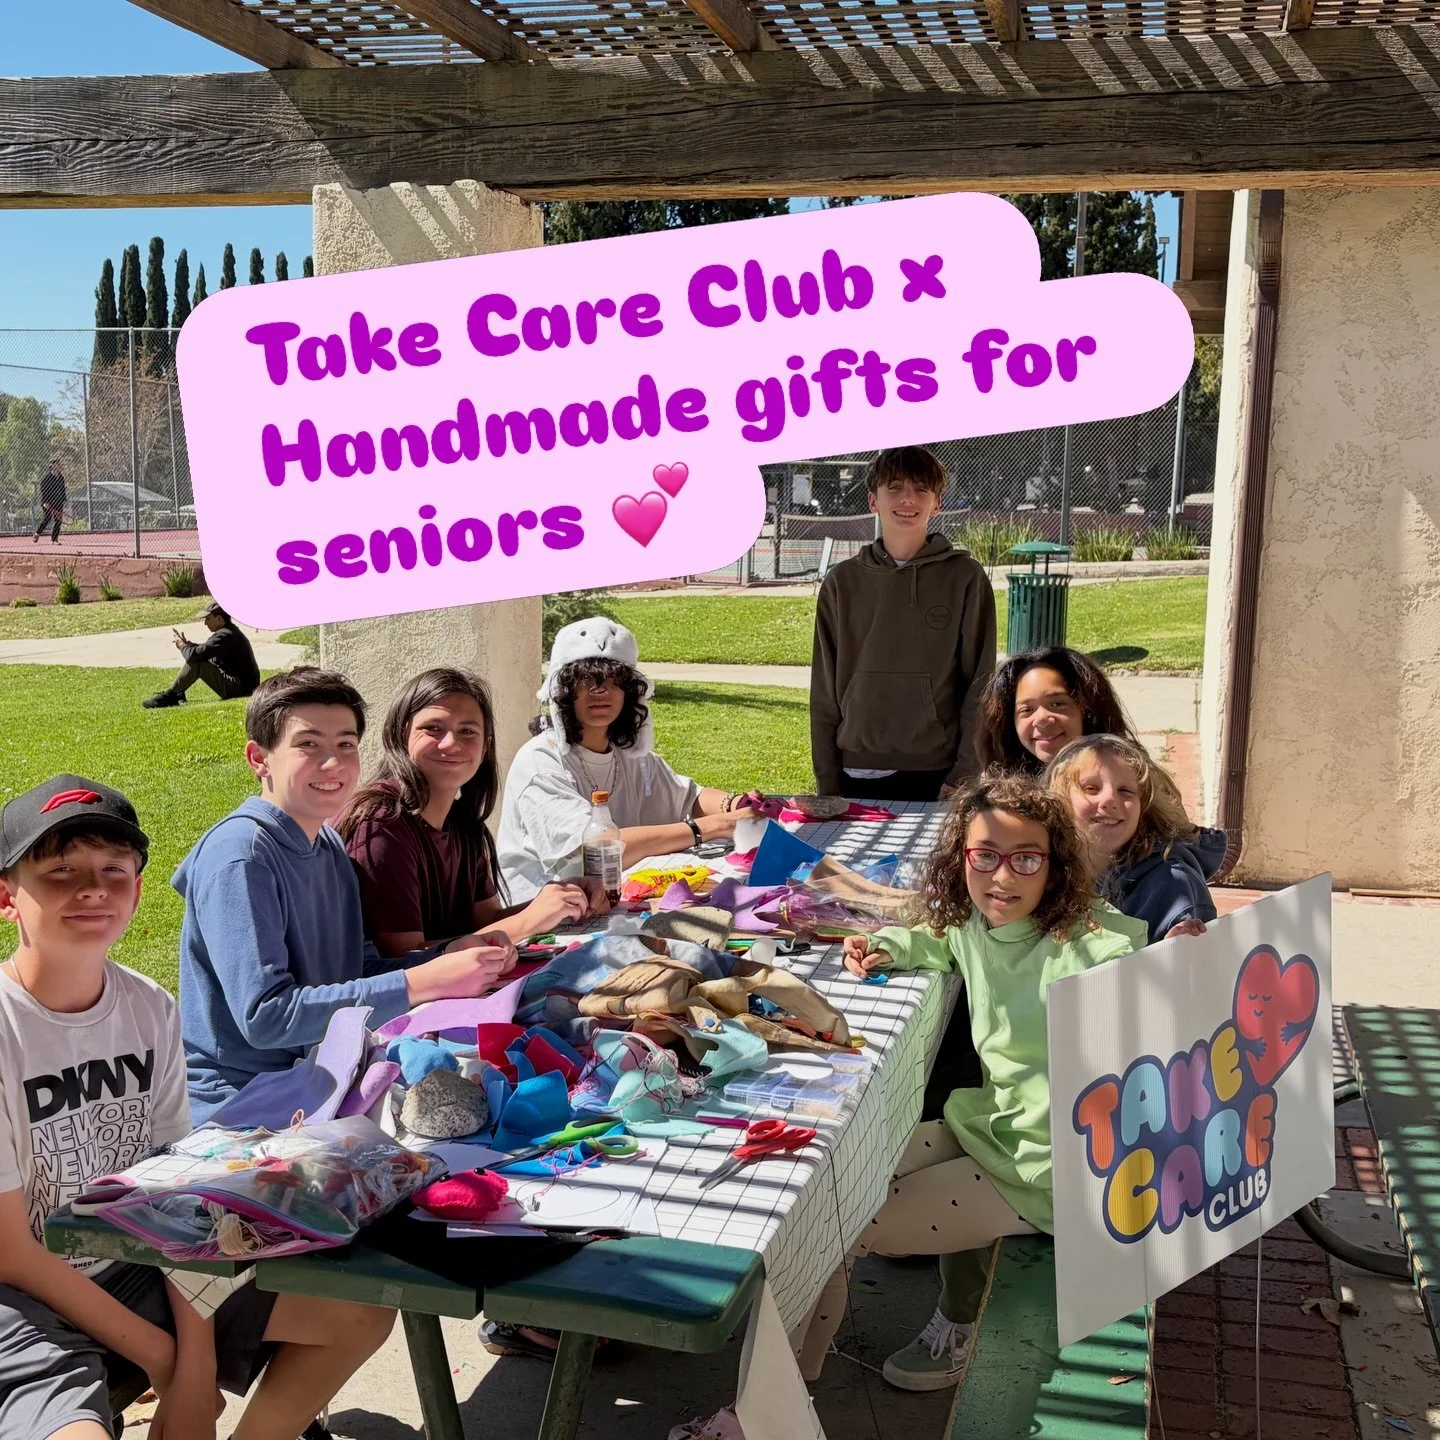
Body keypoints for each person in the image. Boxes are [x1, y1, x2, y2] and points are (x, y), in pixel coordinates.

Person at [0, 774, 395, 1440]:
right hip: (22, 1307)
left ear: (139, 888)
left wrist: (198, 1360)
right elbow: (11, 1252)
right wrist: (166, 1359)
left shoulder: (148, 1008)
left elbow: (178, 1195)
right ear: (8, 897)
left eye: (112, 869)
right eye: (61, 871)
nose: (92, 888)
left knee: (359, 1311)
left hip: (134, 1264)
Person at [792, 776, 1147, 1392]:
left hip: (1049, 1171)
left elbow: (1127, 964)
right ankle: (795, 1389)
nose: (1002, 878)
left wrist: (1177, 959)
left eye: (1026, 860)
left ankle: (776, 1411)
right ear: (962, 858)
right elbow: (934, 938)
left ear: (1055, 866)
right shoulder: (974, 924)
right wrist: (882, 944)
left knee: (833, 1230)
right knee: (825, 1183)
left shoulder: (1083, 944)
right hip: (990, 1127)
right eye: (984, 856)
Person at [176, 667, 518, 1123]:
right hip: (242, 1108)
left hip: (326, 1080)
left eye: (346, 745)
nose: (333, 764)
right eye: (308, 745)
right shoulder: (240, 857)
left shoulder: (328, 844)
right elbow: (266, 1017)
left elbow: (359, 969)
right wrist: (423, 982)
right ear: (259, 759)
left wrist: (445, 957)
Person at [338, 667, 609, 956]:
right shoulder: (380, 824)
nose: (451, 744)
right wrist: (529, 921)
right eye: (433, 728)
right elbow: (404, 957)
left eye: (467, 731)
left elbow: (488, 922)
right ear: (401, 733)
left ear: (485, 748)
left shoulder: (463, 825)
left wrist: (561, 897)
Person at [498, 618, 762, 903]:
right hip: (542, 920)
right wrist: (714, 827)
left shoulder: (629, 754)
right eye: (586, 681)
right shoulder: (540, 761)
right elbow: (598, 852)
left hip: (613, 902)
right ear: (563, 693)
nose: (600, 692)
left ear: (630, 691)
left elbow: (689, 799)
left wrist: (736, 804)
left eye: (613, 681)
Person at [810, 447, 996, 802]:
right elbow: (823, 690)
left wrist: (964, 772)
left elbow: (981, 683)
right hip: (854, 769)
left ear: (937, 503)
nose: (908, 498)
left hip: (936, 773)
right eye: (894, 487)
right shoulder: (842, 582)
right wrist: (828, 780)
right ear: (872, 500)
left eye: (921, 489)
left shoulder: (965, 578)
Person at [1046, 733, 1226, 942]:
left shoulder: (1173, 884)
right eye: (1091, 788)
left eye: (1125, 791)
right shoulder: (1043, 867)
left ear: (1145, 807)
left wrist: (1174, 948)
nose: (1110, 800)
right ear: (1059, 800)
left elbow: (1197, 968)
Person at [976, 646, 1142, 776]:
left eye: (1057, 704)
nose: (1041, 719)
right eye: (1027, 709)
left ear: (1089, 711)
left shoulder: (1125, 784)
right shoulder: (1002, 799)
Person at [142, 602, 262, 710]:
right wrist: (191, 645)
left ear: (219, 618)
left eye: (208, 619)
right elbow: (207, 652)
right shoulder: (229, 633)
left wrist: (182, 646)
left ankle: (171, 695)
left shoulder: (224, 635)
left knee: (198, 663)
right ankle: (177, 692)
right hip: (244, 687)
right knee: (199, 658)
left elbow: (193, 656)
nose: (205, 623)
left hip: (240, 689)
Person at [31, 459, 65, 545]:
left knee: (58, 520)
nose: (58, 465)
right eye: (56, 464)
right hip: (48, 502)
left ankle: (54, 540)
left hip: (58, 501)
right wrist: (45, 502)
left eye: (59, 463)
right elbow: (43, 490)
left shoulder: (61, 477)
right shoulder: (46, 477)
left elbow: (63, 490)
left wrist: (64, 500)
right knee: (47, 518)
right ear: (52, 465)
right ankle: (37, 533)